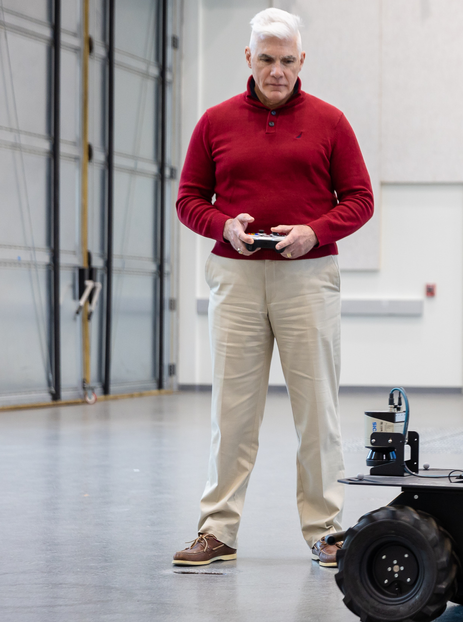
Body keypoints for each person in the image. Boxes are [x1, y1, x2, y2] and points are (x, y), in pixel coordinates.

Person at [172, 8, 372, 567]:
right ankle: (218, 530)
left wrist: (316, 232)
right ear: (248, 58)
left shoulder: (331, 122)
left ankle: (326, 529)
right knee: (231, 413)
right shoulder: (215, 122)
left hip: (308, 279)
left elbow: (360, 199)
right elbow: (189, 198)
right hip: (236, 278)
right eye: (266, 59)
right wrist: (223, 225)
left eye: (287, 60)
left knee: (317, 412)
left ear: (301, 60)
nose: (277, 71)